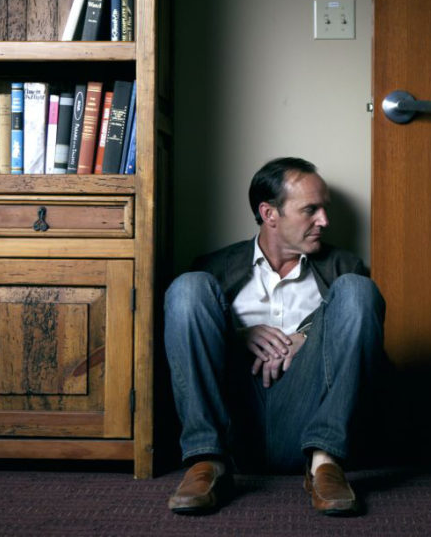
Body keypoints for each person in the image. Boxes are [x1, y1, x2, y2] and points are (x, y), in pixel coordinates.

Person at [164, 156, 386, 516]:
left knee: (359, 290)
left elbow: (356, 343)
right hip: (235, 423)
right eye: (310, 210)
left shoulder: (343, 268)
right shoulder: (214, 268)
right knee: (187, 289)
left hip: (310, 420)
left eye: (324, 209)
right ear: (269, 214)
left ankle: (325, 465)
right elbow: (191, 342)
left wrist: (305, 337)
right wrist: (236, 334)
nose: (324, 221)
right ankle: (206, 463)